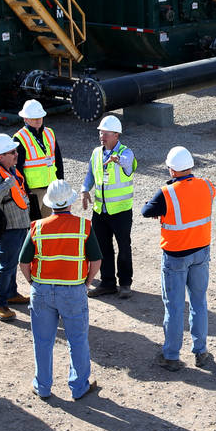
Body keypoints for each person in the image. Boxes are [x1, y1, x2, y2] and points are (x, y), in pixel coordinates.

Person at [19, 180, 102, 401]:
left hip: (42, 290)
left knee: (43, 340)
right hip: (73, 290)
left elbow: (23, 262)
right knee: (77, 339)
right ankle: (78, 386)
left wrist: (33, 283)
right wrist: (86, 283)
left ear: (50, 203)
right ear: (71, 202)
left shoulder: (37, 227)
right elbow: (96, 260)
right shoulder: (83, 226)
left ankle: (43, 386)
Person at [142, 146, 216, 371]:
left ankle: (172, 356)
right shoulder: (207, 185)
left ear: (172, 170)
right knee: (198, 302)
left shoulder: (167, 192)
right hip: (201, 252)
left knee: (174, 307)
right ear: (191, 166)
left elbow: (146, 210)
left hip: (175, 256)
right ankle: (201, 352)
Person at [81, 115, 137, 299]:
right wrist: (84, 190)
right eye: (100, 133)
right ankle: (107, 283)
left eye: (106, 133)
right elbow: (90, 173)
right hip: (100, 210)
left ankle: (125, 284)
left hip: (120, 210)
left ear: (116, 135)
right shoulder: (96, 153)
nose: (102, 136)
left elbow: (128, 163)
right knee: (102, 247)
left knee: (123, 247)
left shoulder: (126, 152)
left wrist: (117, 158)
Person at [0, 134, 32, 321]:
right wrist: (7, 183)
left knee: (12, 262)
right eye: (12, 152)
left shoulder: (8, 168)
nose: (16, 154)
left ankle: (10, 293)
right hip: (8, 228)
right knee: (6, 265)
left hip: (18, 225)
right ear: (0, 155)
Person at [13, 99, 64, 219]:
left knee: (48, 223)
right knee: (34, 224)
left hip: (51, 187)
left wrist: (60, 182)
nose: (38, 120)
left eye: (40, 117)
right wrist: (25, 191)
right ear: (25, 118)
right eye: (34, 117)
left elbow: (58, 160)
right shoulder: (19, 138)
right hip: (33, 191)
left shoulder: (50, 133)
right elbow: (17, 168)